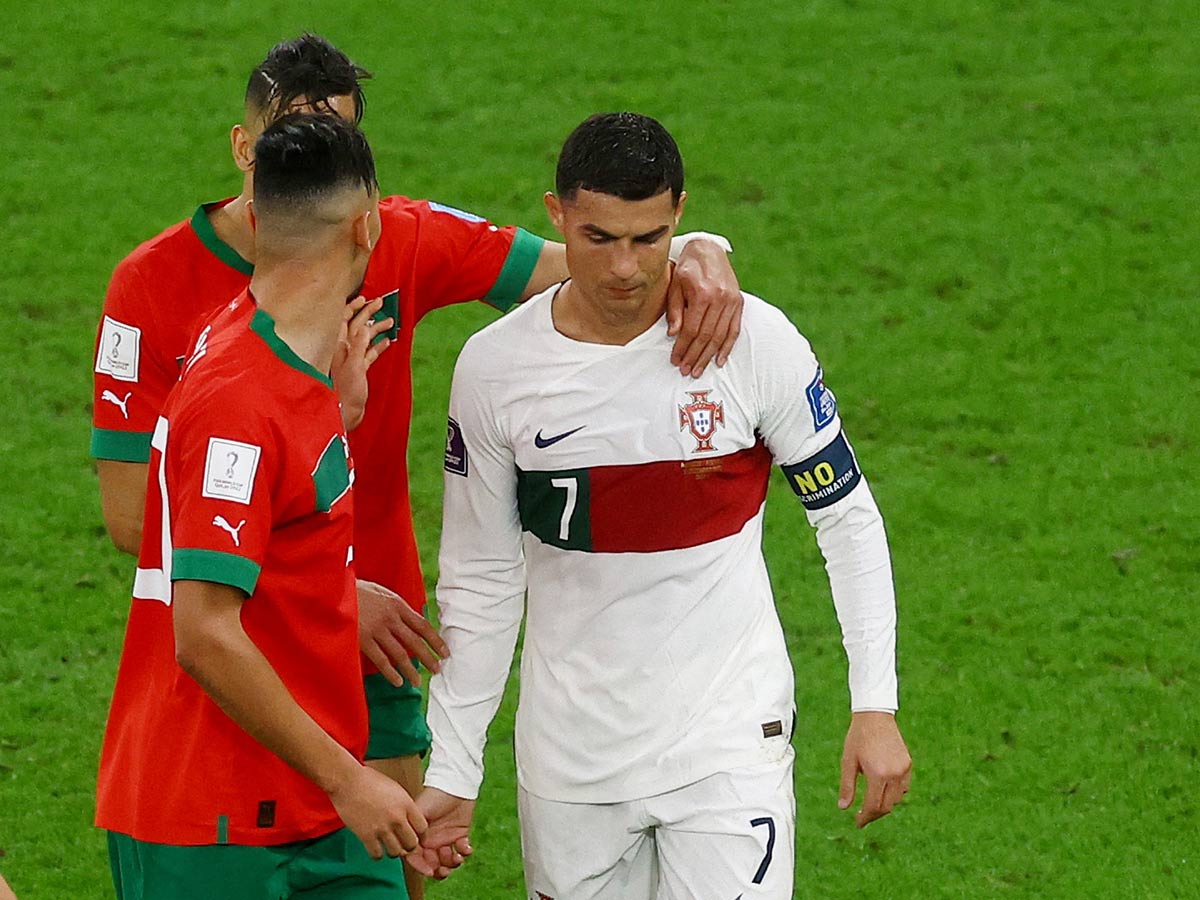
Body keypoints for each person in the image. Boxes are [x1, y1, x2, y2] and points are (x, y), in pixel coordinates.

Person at [90, 34, 742, 900]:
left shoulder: (277, 352)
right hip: (216, 790)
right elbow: (196, 605)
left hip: (342, 709)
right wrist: (338, 624)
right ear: (252, 154)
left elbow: (594, 267)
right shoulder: (221, 367)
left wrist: (698, 247)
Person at [413, 113, 912, 898]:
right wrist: (453, 764)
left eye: (649, 239)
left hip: (728, 743)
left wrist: (874, 704)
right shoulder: (495, 370)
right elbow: (480, 580)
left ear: (680, 214)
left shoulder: (751, 344)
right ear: (556, 215)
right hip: (571, 762)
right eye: (599, 237)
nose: (624, 268)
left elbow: (845, 518)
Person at [96, 113, 427, 898]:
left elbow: (271, 513)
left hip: (310, 803)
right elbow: (205, 635)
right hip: (215, 824)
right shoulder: (239, 399)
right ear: (366, 226)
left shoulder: (277, 353)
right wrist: (351, 780)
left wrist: (334, 414)